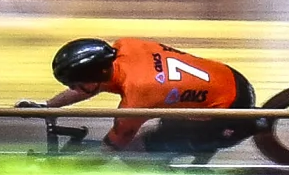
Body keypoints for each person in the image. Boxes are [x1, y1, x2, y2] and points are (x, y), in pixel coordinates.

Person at [21, 37, 254, 161]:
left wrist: (73, 174)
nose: (73, 88)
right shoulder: (124, 47)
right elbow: (89, 87)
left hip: (229, 114)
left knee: (134, 152)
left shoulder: (137, 96)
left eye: (75, 83)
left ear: (97, 76)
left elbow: (111, 148)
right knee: (159, 130)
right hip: (231, 78)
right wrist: (48, 106)